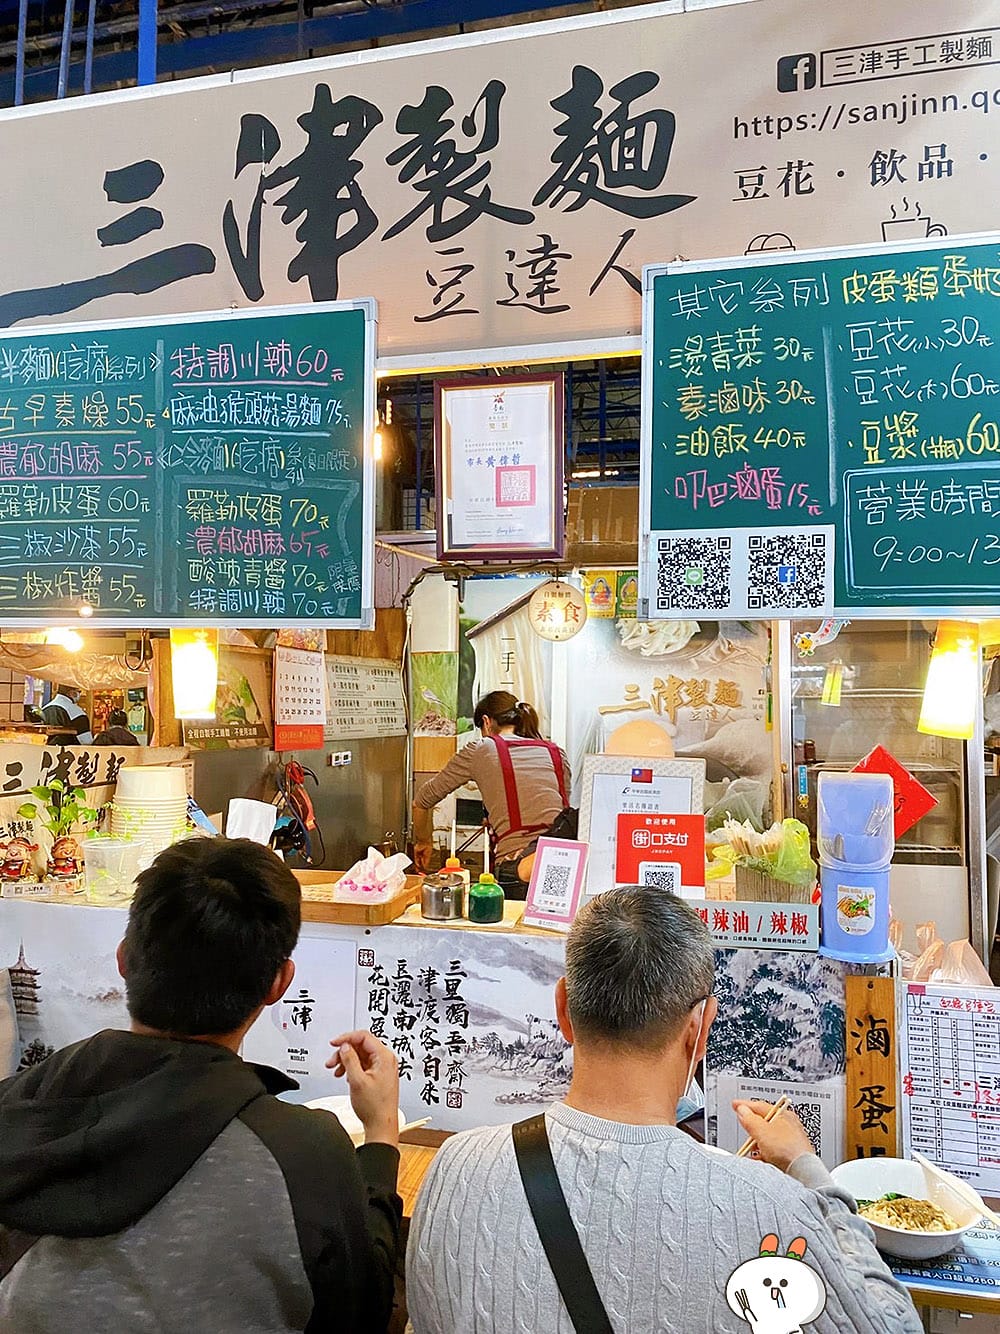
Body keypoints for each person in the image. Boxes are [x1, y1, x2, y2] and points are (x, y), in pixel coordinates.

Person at [407, 888, 921, 1334]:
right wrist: (811, 1175)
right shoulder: (777, 1209)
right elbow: (894, 1324)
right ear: (700, 1028)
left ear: (563, 1009)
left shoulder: (453, 1172)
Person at [0, 836, 402, 1334]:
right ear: (280, 982)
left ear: (125, 959)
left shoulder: (17, 1106)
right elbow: (366, 1309)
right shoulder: (304, 1153)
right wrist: (381, 1136)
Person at [412, 690, 572, 898]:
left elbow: (422, 801)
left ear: (486, 722)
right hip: (563, 866)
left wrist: (424, 841)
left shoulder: (483, 748)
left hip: (518, 871)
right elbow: (559, 811)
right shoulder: (556, 752)